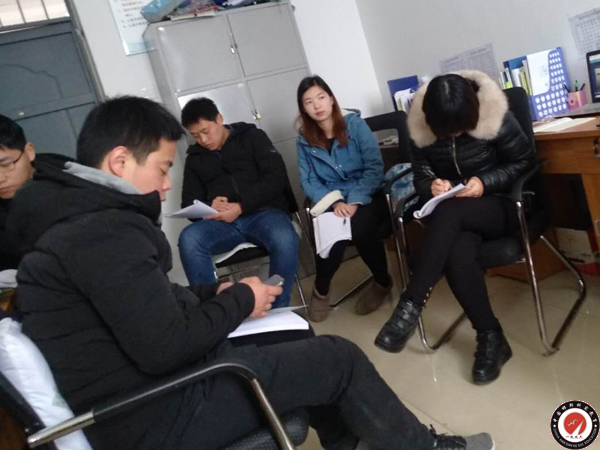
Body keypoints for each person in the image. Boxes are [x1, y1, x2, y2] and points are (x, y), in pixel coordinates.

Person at [9, 96, 494, 450]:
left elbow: (139, 305)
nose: (165, 186)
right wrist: (240, 298)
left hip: (145, 394)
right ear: (119, 161)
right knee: (339, 357)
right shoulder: (99, 233)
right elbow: (164, 347)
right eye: (160, 168)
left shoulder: (80, 221)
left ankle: (353, 440)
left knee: (296, 336)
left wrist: (212, 292)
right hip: (157, 413)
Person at [376, 70, 534, 385]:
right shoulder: (420, 128)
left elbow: (524, 161)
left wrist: (484, 182)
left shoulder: (495, 113)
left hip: (502, 203)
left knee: (450, 214)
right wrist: (431, 185)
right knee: (458, 249)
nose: (453, 135)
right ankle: (491, 335)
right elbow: (421, 174)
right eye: (446, 130)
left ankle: (411, 303)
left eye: (460, 128)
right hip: (456, 215)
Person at [178, 98, 298, 308]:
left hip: (264, 213)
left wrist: (241, 206)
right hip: (222, 224)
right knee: (189, 239)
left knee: (284, 237)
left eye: (206, 131)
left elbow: (276, 178)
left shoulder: (252, 137)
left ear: (219, 119)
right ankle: (213, 313)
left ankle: (277, 309)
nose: (203, 140)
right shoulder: (195, 159)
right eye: (196, 136)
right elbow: (188, 203)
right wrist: (209, 206)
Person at [296, 76, 393, 322]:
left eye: (321, 97)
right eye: (309, 102)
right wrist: (334, 203)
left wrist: (355, 200)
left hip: (368, 194)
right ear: (303, 109)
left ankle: (382, 282)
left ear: (331, 99)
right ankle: (321, 290)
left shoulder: (354, 125)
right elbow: (309, 181)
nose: (317, 105)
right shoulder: (303, 140)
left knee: (359, 226)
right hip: (334, 199)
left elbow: (374, 167)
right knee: (331, 231)